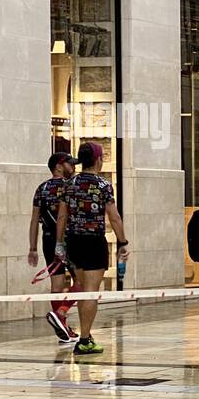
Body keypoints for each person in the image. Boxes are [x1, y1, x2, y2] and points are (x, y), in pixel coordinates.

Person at [55, 142, 127, 355]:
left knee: (83, 287)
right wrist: (123, 241)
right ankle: (84, 338)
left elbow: (62, 215)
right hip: (94, 241)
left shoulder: (69, 184)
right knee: (91, 292)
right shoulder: (103, 185)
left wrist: (59, 244)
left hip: (74, 242)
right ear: (98, 160)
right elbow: (113, 216)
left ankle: (85, 334)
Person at [28, 152, 78, 344]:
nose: (72, 167)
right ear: (58, 166)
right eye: (69, 164)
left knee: (56, 286)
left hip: (48, 240)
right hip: (69, 239)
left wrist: (32, 247)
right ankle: (61, 314)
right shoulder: (70, 186)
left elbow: (34, 220)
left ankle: (63, 328)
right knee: (83, 282)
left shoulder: (42, 189)